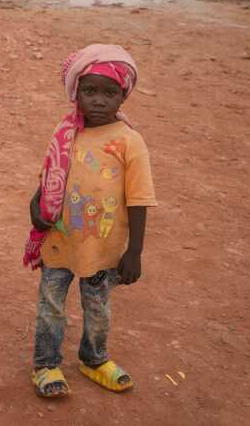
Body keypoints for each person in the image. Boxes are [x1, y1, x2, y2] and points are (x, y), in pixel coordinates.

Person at [24, 45, 155, 399]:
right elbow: (50, 171)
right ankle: (46, 363)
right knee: (51, 306)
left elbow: (140, 199)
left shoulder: (130, 142)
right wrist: (36, 204)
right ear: (76, 93)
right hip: (59, 239)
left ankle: (93, 359)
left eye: (109, 93)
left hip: (104, 248)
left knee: (98, 308)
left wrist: (135, 252)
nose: (98, 100)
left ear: (123, 96)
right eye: (89, 91)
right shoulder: (67, 131)